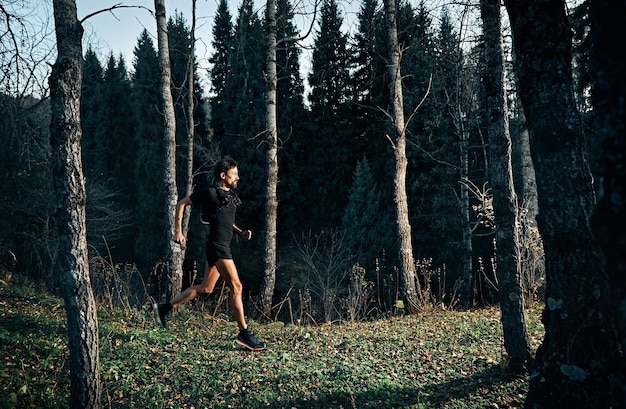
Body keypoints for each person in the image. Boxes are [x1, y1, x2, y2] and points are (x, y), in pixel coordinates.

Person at [152, 156, 266, 351]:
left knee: (206, 288)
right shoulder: (210, 193)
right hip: (218, 246)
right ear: (223, 175)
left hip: (219, 246)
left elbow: (225, 220)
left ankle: (164, 308)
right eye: (234, 174)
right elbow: (181, 203)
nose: (238, 177)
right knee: (237, 287)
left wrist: (240, 232)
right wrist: (178, 231)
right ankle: (244, 334)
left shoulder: (229, 197)